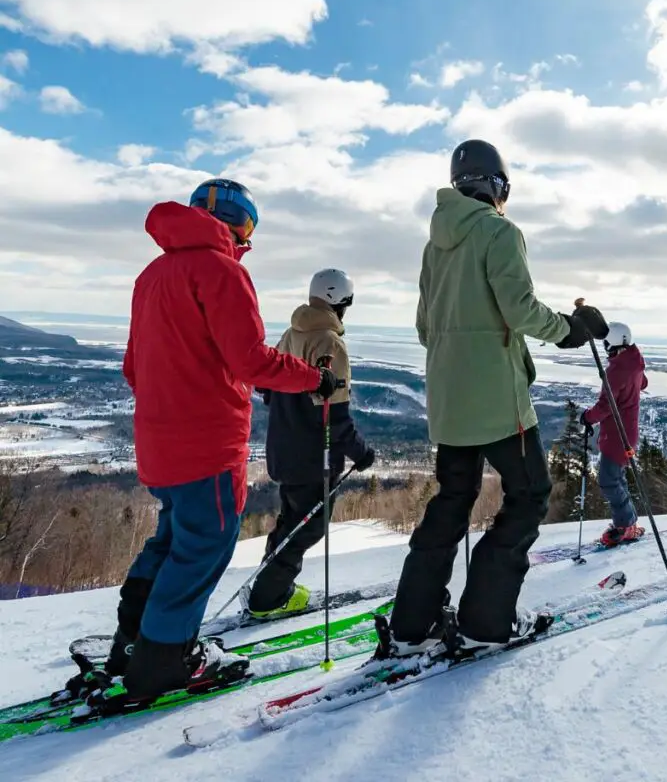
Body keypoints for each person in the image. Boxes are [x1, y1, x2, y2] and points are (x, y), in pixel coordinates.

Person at [79, 179, 339, 706]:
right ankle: (163, 661)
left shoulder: (152, 275)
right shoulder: (223, 272)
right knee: (205, 546)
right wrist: (314, 378)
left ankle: (131, 643)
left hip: (158, 441)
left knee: (172, 539)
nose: (248, 240)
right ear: (239, 225)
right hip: (207, 442)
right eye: (248, 228)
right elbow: (251, 359)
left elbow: (133, 367)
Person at [383, 139, 607, 655]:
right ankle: (486, 622)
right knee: (528, 495)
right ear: (496, 185)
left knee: (452, 502)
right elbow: (520, 309)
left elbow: (424, 327)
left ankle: (411, 626)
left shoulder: (434, 245)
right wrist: (571, 329)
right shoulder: (500, 231)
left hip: (448, 400)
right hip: (501, 404)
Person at [243, 268, 376, 618]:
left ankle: (269, 586)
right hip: (313, 457)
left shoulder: (292, 332)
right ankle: (269, 597)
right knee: (308, 526)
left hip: (283, 448)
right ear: (340, 302)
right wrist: (361, 453)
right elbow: (336, 416)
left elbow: (265, 384)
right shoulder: (330, 343)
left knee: (292, 521)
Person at [580, 321, 648, 547]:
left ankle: (624, 525)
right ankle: (629, 523)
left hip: (617, 434)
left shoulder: (616, 371)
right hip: (628, 431)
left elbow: (605, 405)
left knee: (608, 481)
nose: (605, 347)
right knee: (617, 479)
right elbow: (642, 383)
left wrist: (587, 417)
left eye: (606, 343)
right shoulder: (634, 362)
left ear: (613, 343)